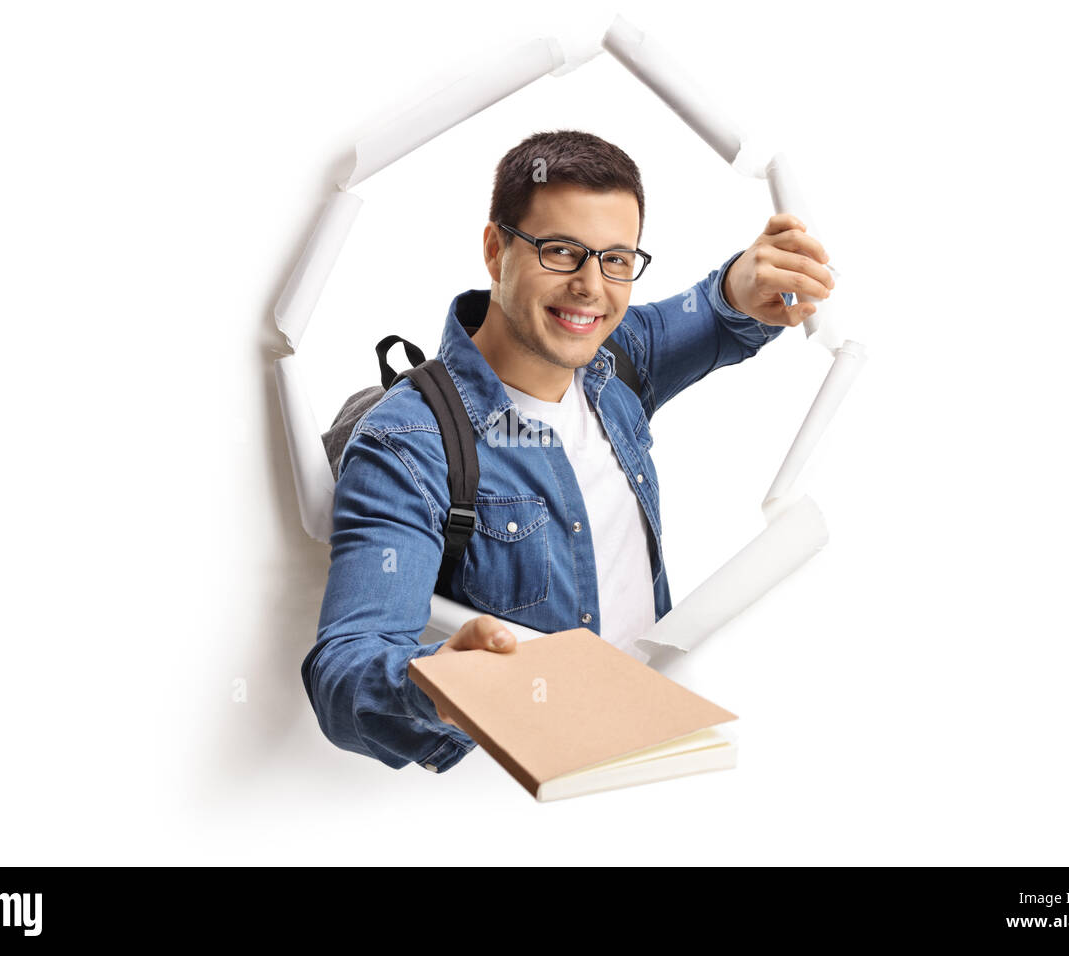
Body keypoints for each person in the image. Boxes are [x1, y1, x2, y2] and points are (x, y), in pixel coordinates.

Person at [301, 129, 833, 773]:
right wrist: (441, 686)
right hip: (527, 800)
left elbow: (715, 311)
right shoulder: (409, 445)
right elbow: (345, 669)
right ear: (497, 251)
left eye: (616, 260)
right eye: (562, 252)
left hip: (658, 753)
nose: (591, 287)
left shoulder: (616, 354)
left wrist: (747, 279)